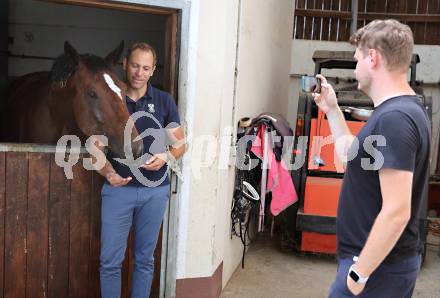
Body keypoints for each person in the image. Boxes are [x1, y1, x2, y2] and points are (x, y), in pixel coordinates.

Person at [313, 20, 431, 297]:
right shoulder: (399, 110)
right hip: (377, 264)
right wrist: (332, 110)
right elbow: (351, 156)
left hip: (377, 269)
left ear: (373, 58)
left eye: (357, 60)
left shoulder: (395, 119)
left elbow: (397, 211)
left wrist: (359, 273)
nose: (355, 69)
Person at [96, 42, 186, 298]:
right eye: (135, 65)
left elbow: (181, 143)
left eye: (146, 68)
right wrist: (108, 173)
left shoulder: (163, 100)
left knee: (145, 260)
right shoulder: (112, 98)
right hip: (118, 191)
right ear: (125, 64)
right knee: (110, 262)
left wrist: (167, 156)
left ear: (153, 70)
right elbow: (96, 148)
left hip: (155, 192)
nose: (139, 72)